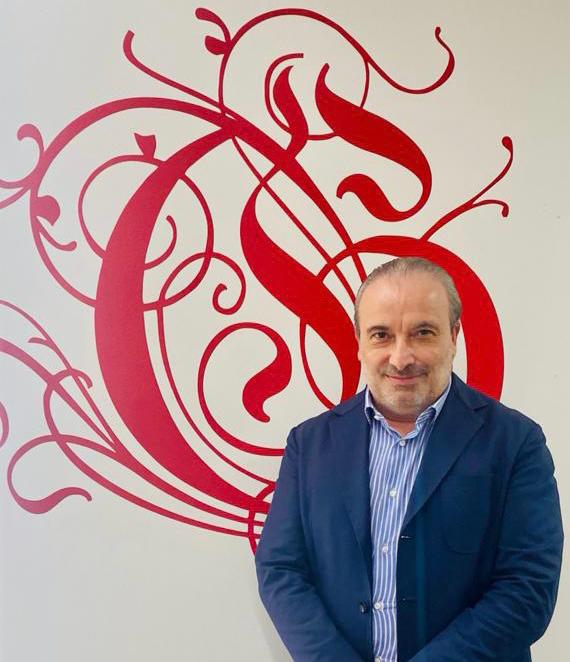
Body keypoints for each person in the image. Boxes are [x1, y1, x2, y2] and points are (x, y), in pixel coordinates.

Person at [255, 257, 563, 662]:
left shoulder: (516, 443)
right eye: (381, 335)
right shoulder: (309, 444)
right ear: (359, 341)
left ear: (454, 336)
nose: (401, 358)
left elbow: (528, 588)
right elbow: (281, 569)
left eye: (422, 333)